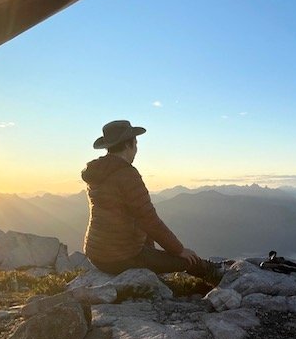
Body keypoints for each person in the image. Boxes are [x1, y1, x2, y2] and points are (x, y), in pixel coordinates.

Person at [81, 120, 220, 283]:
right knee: (187, 260)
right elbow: (148, 219)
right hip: (120, 257)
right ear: (129, 144)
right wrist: (179, 250)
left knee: (150, 250)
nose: (136, 150)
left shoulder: (98, 173)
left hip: (96, 253)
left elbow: (132, 217)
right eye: (136, 143)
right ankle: (216, 273)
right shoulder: (127, 174)